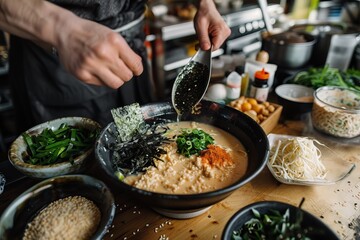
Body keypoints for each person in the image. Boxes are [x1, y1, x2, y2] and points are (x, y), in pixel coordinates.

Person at [0, 0, 231, 133]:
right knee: (77, 170)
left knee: (139, 138)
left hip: (131, 41)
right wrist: (61, 29)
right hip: (55, 54)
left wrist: (204, 3)